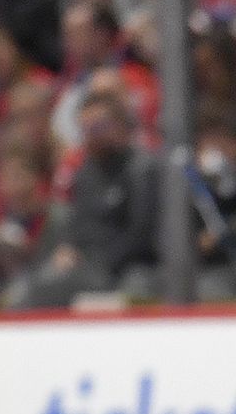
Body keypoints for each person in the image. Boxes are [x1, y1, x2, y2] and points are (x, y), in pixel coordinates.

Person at [13, 86, 162, 308]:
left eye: (99, 126)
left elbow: (140, 234)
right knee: (27, 287)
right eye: (86, 128)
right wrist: (68, 247)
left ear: (122, 125)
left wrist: (99, 263)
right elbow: (77, 225)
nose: (93, 135)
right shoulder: (85, 173)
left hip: (127, 267)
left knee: (49, 291)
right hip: (85, 264)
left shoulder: (141, 170)